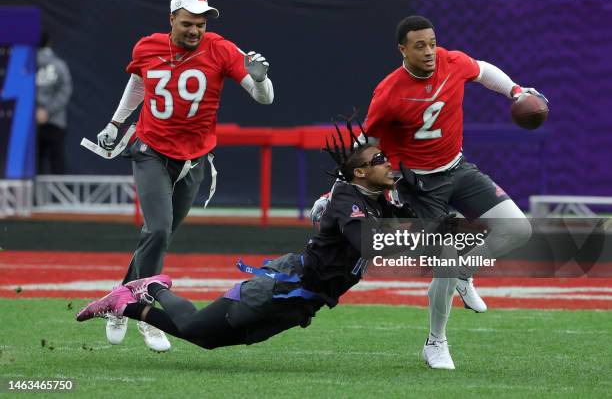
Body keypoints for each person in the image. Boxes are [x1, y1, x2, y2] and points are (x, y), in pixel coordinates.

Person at [77, 131, 436, 351]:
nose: (390, 165)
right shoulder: (347, 198)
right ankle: (149, 288)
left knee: (207, 339)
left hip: (304, 302)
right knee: (194, 328)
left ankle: (129, 299)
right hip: (285, 285)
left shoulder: (379, 199)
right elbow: (367, 242)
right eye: (380, 160)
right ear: (359, 172)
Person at [95, 0, 274, 352]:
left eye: (201, 24)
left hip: (192, 160)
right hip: (150, 148)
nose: (195, 30)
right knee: (157, 230)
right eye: (189, 23)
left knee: (157, 237)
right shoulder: (148, 46)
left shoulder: (221, 48)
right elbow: (139, 82)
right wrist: (116, 123)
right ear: (172, 19)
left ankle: (120, 298)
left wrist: (260, 78)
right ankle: (142, 312)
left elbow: (264, 98)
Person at [362, 15, 537, 369]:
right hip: (419, 187)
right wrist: (362, 184)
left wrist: (517, 91)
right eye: (419, 46)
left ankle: (464, 272)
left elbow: (484, 71)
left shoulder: (451, 61)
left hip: (457, 168)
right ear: (402, 50)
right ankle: (435, 341)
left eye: (431, 42)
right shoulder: (389, 91)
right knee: (445, 259)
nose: (429, 51)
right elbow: (368, 143)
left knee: (518, 229)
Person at [36, 31, 73, 175]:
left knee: (33, 167)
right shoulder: (59, 65)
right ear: (49, 43)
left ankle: (34, 198)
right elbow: (65, 91)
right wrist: (48, 111)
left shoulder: (26, 66)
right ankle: (56, 198)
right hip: (56, 122)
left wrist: (37, 111)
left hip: (34, 123)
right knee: (57, 164)